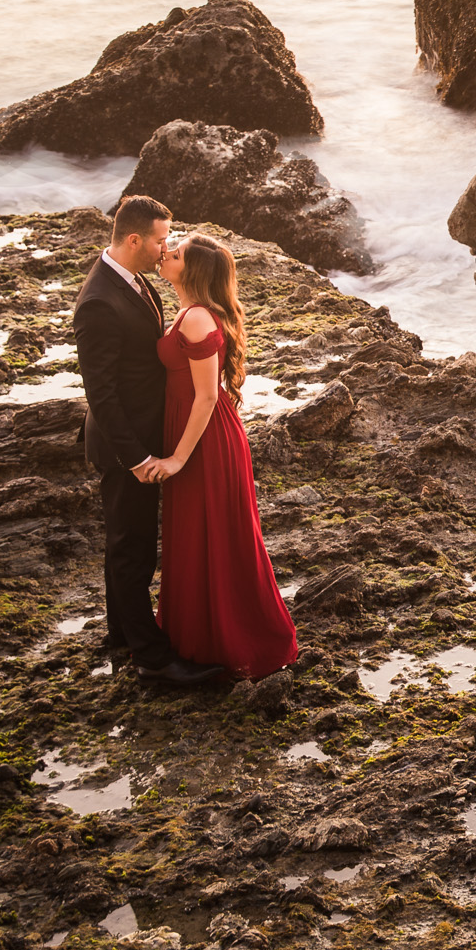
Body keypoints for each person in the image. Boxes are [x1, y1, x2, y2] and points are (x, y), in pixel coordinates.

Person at [72, 195, 226, 686]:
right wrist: (136, 456)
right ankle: (152, 660)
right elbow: (101, 392)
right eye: (161, 239)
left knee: (126, 543)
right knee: (132, 548)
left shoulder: (132, 279)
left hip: (141, 436)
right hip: (126, 445)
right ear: (134, 239)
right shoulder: (99, 301)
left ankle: (122, 636)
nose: (166, 249)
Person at [143, 232, 299, 679]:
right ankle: (204, 638)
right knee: (200, 537)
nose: (166, 253)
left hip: (204, 440)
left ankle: (237, 642)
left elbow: (208, 397)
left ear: (190, 271)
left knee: (216, 537)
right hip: (197, 434)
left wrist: (176, 459)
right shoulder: (188, 311)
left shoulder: (196, 318)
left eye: (176, 253)